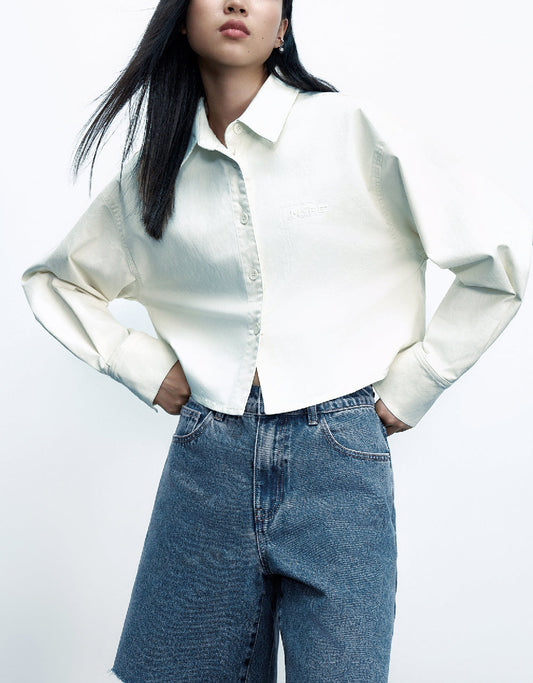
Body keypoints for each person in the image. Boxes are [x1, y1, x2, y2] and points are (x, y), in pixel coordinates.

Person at [21, 0, 532, 681]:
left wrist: (418, 382)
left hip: (339, 455)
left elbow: (497, 258)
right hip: (207, 456)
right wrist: (141, 364)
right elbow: (55, 281)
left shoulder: (348, 129)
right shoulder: (156, 173)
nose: (237, 2)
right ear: (181, 18)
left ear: (283, 26)